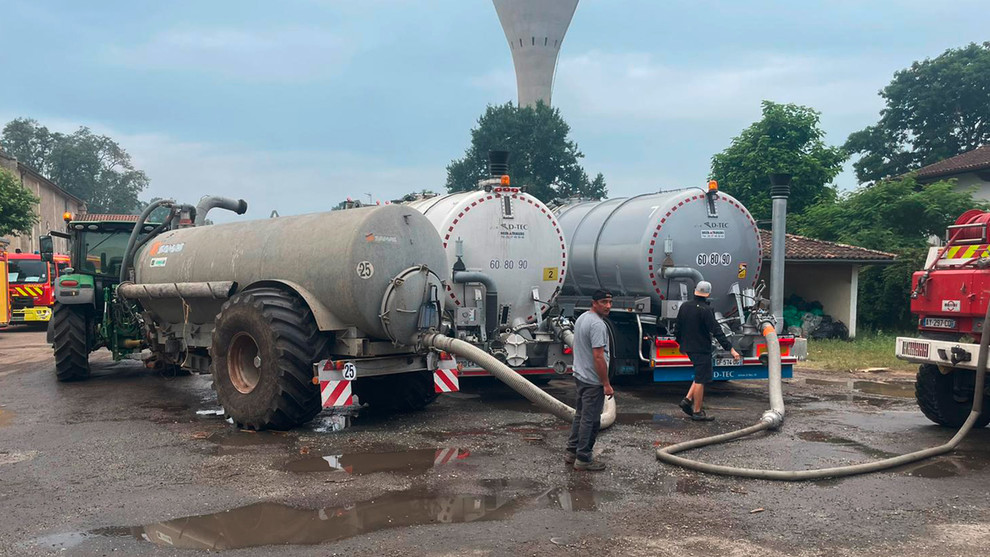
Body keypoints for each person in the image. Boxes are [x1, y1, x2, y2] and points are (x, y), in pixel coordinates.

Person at [675, 280, 740, 421]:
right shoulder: (706, 310)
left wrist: (680, 344)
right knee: (701, 379)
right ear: (708, 294)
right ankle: (697, 412)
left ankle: (687, 400)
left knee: (700, 374)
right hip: (701, 349)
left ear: (695, 291)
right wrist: (731, 350)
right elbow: (717, 332)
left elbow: (677, 328)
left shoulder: (684, 307)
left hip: (689, 348)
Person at [564, 289, 614, 471]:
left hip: (581, 376)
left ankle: (571, 452)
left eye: (609, 302)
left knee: (580, 415)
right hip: (592, 380)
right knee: (591, 420)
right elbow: (599, 357)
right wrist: (606, 384)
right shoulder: (597, 325)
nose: (608, 306)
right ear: (594, 303)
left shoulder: (582, 318)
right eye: (603, 302)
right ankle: (584, 458)